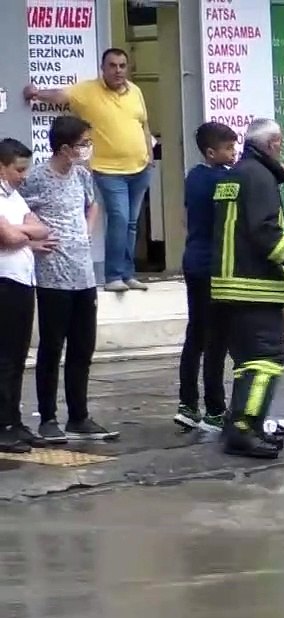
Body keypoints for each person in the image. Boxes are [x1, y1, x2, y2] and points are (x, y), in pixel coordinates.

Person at [175, 121, 284, 432]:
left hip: (197, 262)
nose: (234, 153)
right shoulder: (233, 178)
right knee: (218, 342)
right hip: (218, 269)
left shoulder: (197, 177)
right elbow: (262, 226)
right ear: (211, 152)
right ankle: (217, 411)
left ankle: (188, 404)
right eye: (228, 149)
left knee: (196, 337)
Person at [210, 118, 284, 459]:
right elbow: (264, 233)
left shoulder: (237, 174)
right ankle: (246, 430)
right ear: (273, 144)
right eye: (280, 144)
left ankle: (240, 426)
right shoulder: (259, 178)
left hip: (231, 287)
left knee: (247, 363)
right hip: (254, 287)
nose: (282, 150)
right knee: (265, 359)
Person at [21, 117, 118, 444]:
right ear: (65, 148)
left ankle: (79, 415)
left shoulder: (82, 175)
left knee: (82, 347)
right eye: (83, 144)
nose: (87, 149)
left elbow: (93, 207)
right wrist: (31, 242)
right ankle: (48, 418)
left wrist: (86, 230)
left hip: (83, 273)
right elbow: (14, 213)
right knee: (51, 348)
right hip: (52, 277)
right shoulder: (35, 177)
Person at [24, 48, 152, 293]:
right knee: (120, 218)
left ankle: (128, 273)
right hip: (108, 170)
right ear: (103, 69)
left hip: (139, 168)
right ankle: (113, 276)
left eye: (122, 65)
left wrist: (149, 157)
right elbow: (60, 95)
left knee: (132, 223)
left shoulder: (135, 91)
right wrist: (37, 93)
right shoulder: (87, 91)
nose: (118, 70)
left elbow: (143, 125)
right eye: (112, 65)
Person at [0, 139, 54, 453]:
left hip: (23, 280)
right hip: (5, 282)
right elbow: (6, 237)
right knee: (5, 358)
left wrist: (21, 232)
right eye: (18, 170)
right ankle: (3, 424)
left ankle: (14, 419)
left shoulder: (14, 197)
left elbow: (40, 228)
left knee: (19, 357)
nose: (23, 176)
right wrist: (21, 234)